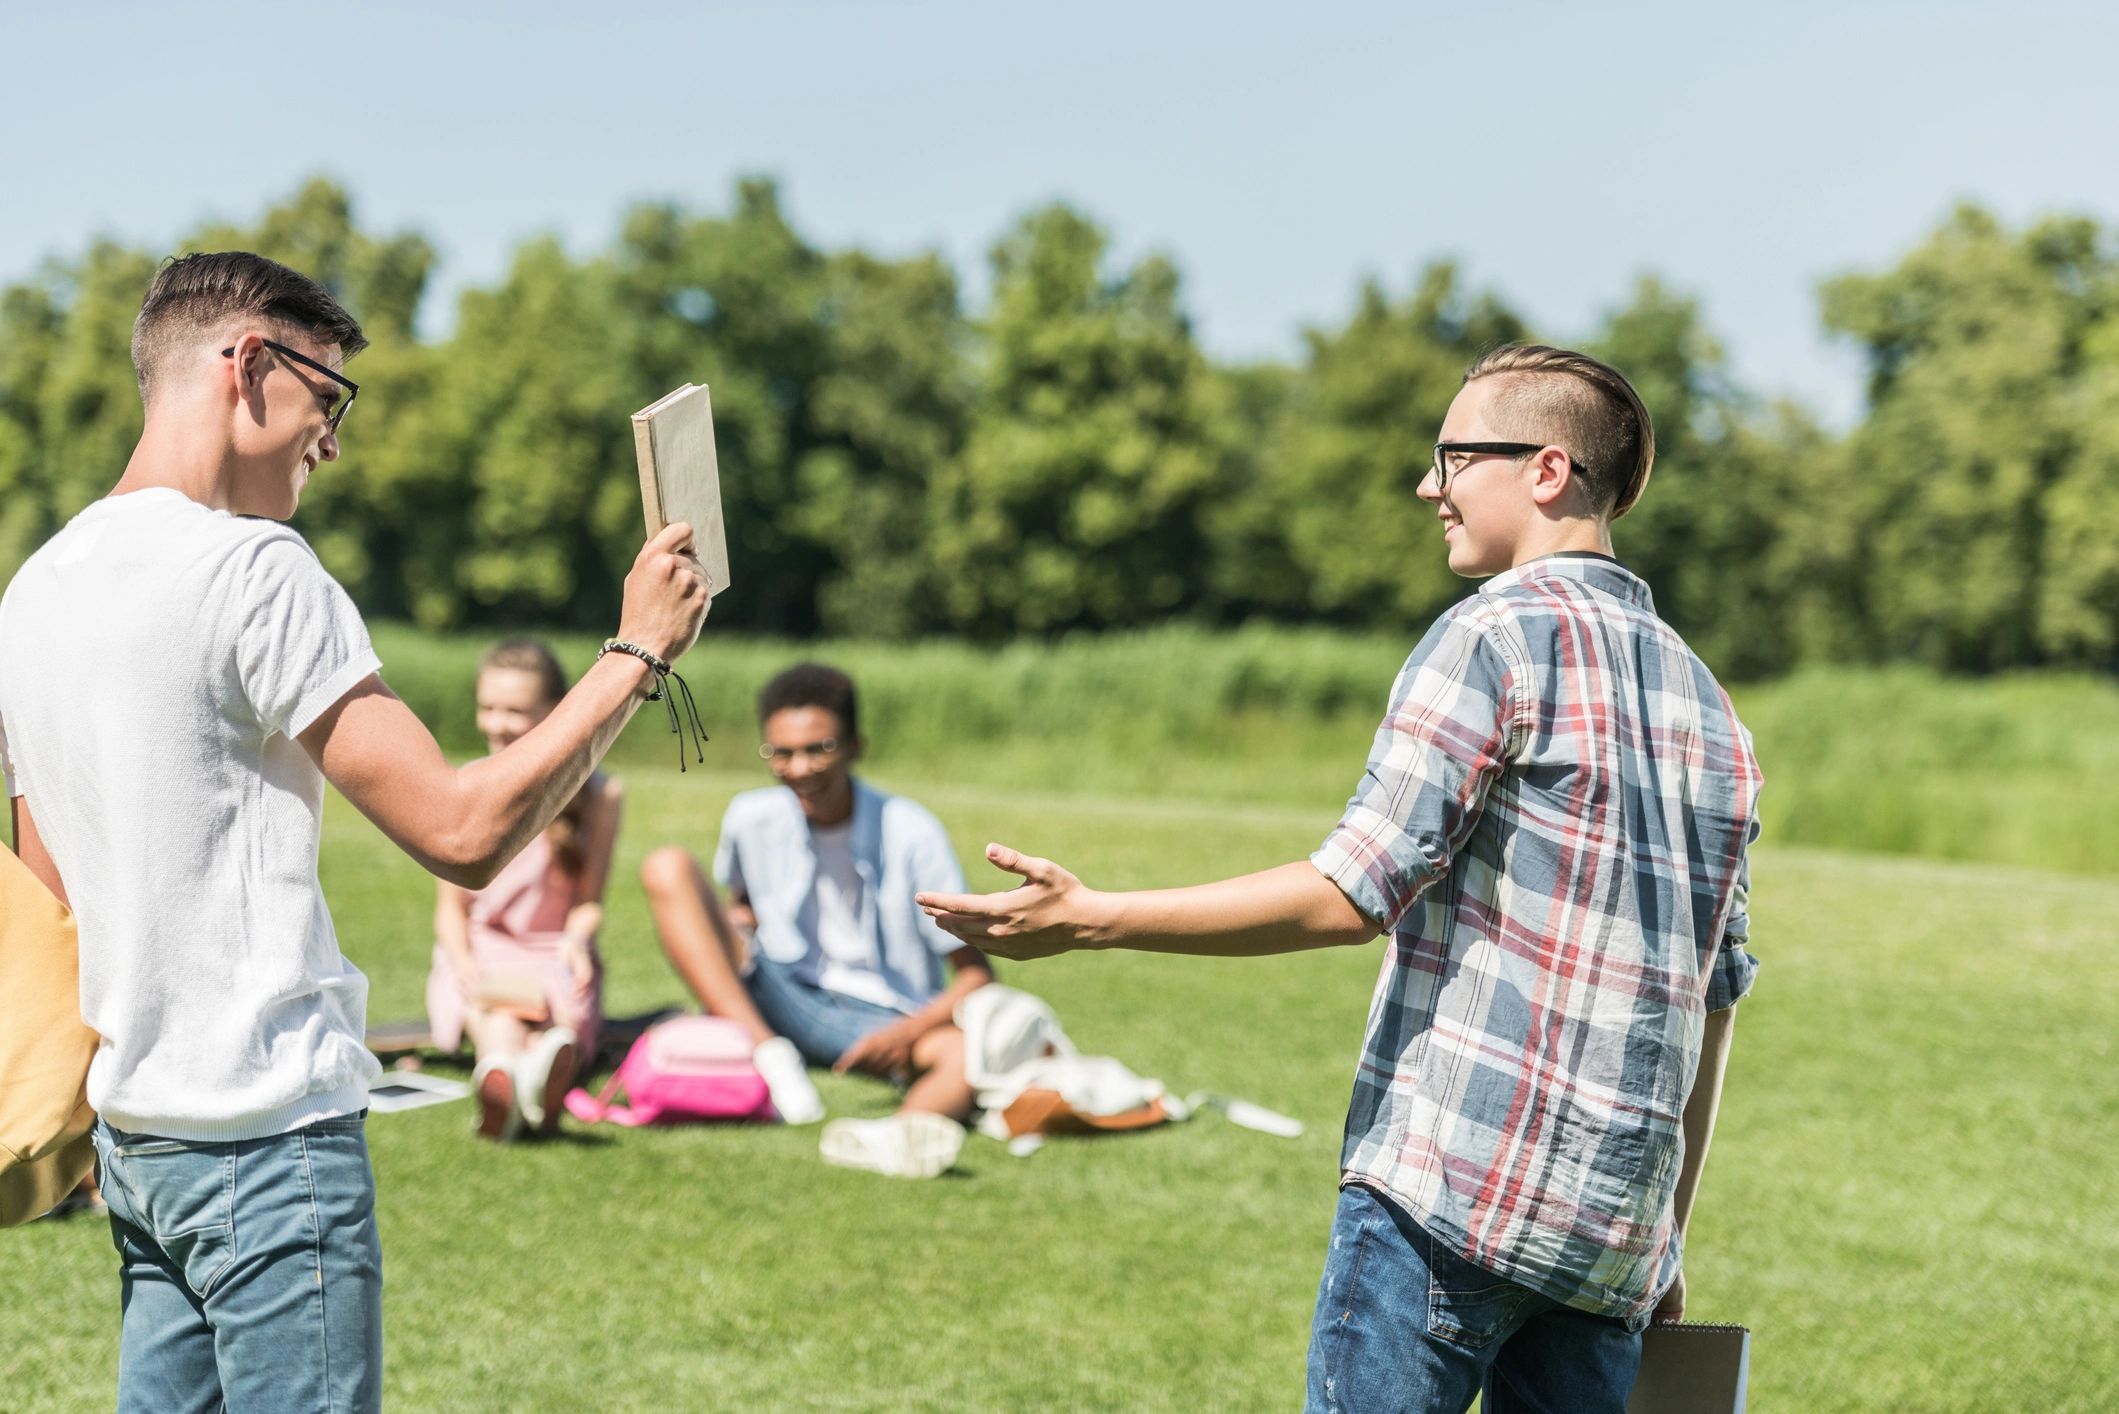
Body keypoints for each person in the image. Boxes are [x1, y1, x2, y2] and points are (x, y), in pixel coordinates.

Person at [918, 344, 1761, 1413]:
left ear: (1545, 470)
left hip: (1447, 1194)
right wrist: (1662, 1233)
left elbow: (1349, 893)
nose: (1428, 486)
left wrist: (1093, 919)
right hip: (1610, 1241)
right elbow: (1711, 1008)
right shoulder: (1716, 712)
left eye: (1451, 457)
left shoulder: (1490, 636)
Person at [0, 251, 709, 1413]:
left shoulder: (32, 592)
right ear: (246, 366)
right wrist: (635, 655)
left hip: (137, 1151)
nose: (332, 441)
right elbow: (466, 830)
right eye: (329, 400)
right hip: (272, 1144)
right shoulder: (255, 569)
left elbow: (51, 903)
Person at [639, 662, 993, 1178]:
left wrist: (903, 1035)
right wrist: (729, 952)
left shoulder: (913, 832)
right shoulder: (749, 816)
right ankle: (768, 1056)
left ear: (855, 747)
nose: (799, 768)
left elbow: (976, 976)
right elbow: (743, 909)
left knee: (963, 1055)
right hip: (775, 987)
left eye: (818, 749)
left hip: (879, 1012)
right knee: (666, 866)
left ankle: (895, 1139)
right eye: (781, 752)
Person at [427, 638, 622, 1141]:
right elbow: (450, 910)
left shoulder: (598, 794)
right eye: (488, 708)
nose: (497, 723)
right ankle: (516, 1077)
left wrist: (577, 943)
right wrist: (462, 959)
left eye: (515, 711)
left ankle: (520, 1079)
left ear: (555, 713)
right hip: (484, 944)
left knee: (556, 1010)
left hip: (552, 947)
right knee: (493, 1006)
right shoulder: (464, 784)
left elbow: (588, 902)